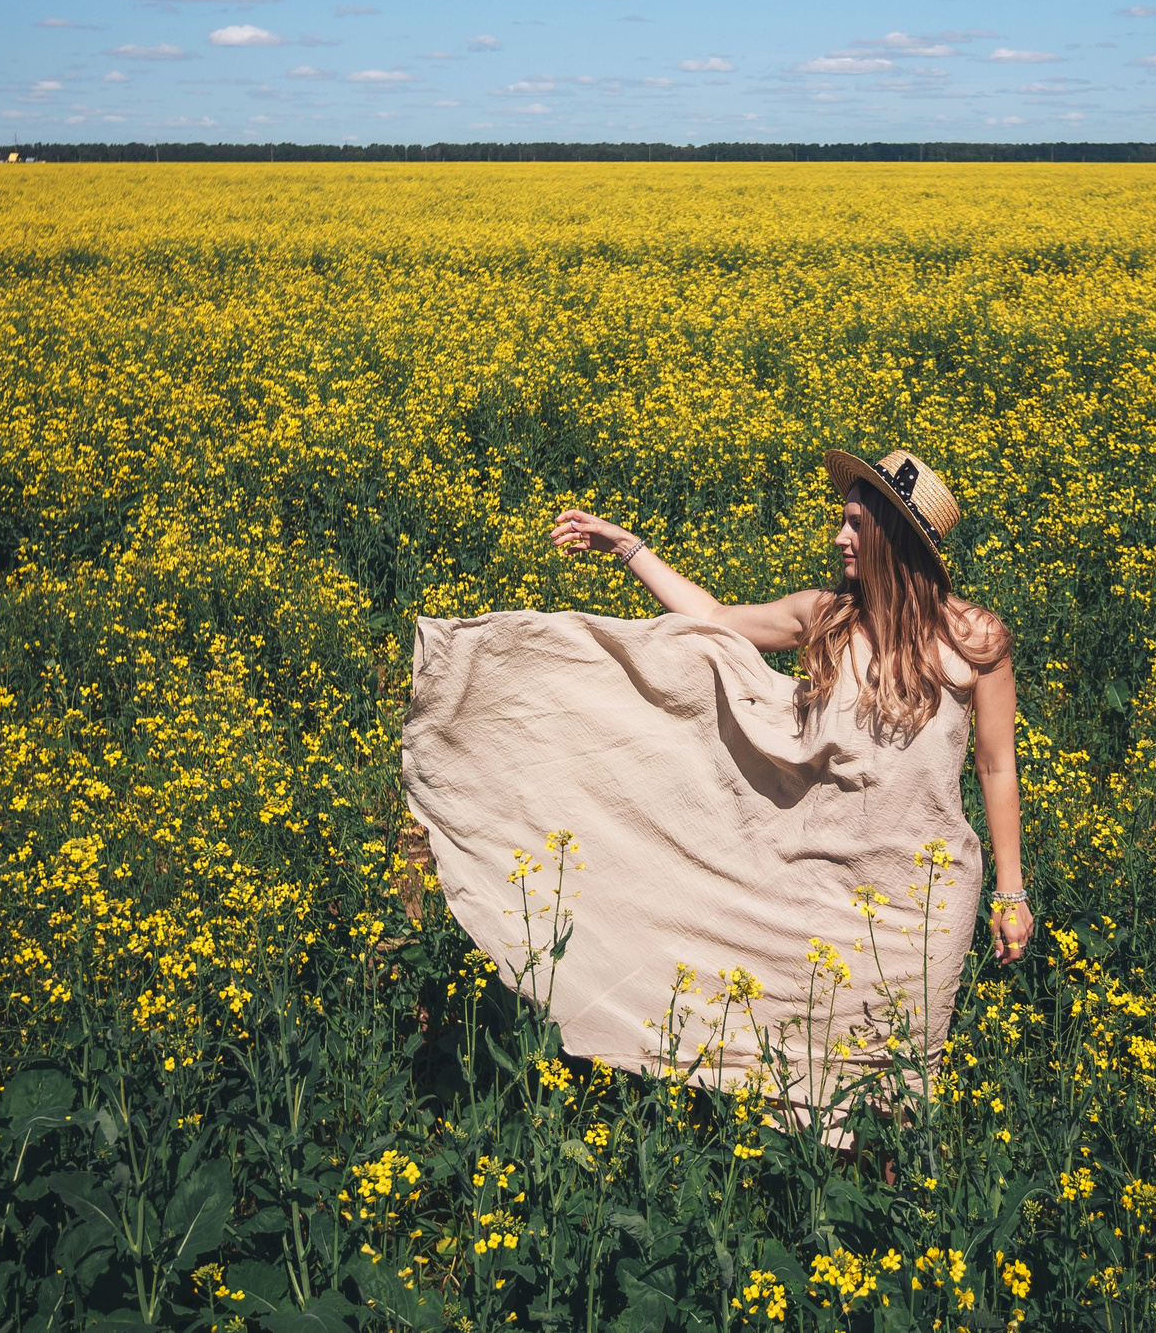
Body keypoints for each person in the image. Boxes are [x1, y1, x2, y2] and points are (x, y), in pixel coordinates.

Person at [399, 448, 1031, 1120]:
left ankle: (898, 1216)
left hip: (921, 907)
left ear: (893, 535)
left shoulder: (975, 638)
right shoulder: (827, 618)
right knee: (794, 1062)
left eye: (853, 524)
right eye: (842, 522)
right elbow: (713, 617)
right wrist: (629, 548)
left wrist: (1011, 891)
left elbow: (997, 766)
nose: (839, 536)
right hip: (821, 892)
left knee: (901, 1091)